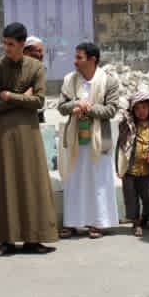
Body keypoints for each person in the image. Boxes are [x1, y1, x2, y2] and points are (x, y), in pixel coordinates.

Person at [0, 22, 58, 256]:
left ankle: (33, 239)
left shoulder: (35, 67)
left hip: (29, 132)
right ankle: (6, 240)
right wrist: (22, 96)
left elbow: (39, 101)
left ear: (22, 44)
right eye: (4, 43)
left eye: (11, 44)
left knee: (31, 181)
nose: (6, 48)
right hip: (4, 133)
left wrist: (10, 96)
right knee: (5, 181)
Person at [58, 42, 120, 239]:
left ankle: (98, 222)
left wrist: (88, 108)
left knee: (98, 181)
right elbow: (62, 107)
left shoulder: (109, 81)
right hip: (75, 138)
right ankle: (72, 223)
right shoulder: (69, 80)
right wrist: (76, 104)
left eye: (79, 57)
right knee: (74, 180)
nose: (75, 61)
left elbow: (111, 110)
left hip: (99, 139)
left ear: (92, 60)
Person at [115, 91, 149, 238]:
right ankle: (136, 223)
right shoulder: (128, 125)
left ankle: (145, 218)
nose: (141, 112)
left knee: (148, 197)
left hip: (147, 170)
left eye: (144, 108)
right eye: (137, 108)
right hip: (129, 169)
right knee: (131, 198)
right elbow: (122, 139)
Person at [24, 36, 47, 123]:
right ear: (27, 52)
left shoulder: (40, 69)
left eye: (42, 51)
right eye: (38, 51)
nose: (42, 55)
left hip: (39, 115)